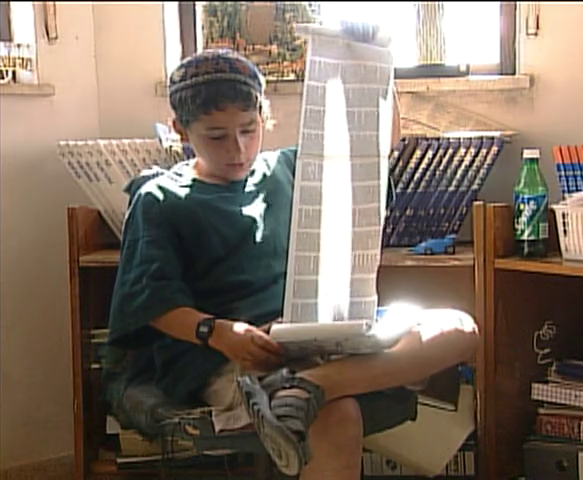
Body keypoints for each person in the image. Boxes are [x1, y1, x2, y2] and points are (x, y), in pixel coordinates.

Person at [106, 23, 479, 480]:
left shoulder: (289, 169)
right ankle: (311, 392)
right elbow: (151, 302)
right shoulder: (162, 199)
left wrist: (376, 63)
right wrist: (220, 333)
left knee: (458, 329)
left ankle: (305, 389)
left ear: (265, 116)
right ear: (180, 129)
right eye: (216, 136)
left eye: (248, 130)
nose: (237, 149)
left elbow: (374, 144)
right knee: (337, 417)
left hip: (313, 336)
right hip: (232, 352)